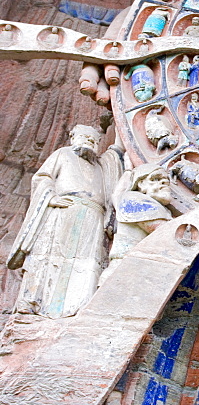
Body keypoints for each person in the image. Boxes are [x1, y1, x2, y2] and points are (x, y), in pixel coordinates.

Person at [8, 125, 122, 317]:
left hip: (93, 217)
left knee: (87, 263)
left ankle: (78, 307)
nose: (89, 141)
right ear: (72, 138)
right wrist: (50, 198)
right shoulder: (63, 154)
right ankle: (33, 301)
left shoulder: (100, 165)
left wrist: (121, 125)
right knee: (47, 254)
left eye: (93, 139)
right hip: (63, 210)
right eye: (84, 137)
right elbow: (43, 178)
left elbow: (116, 153)